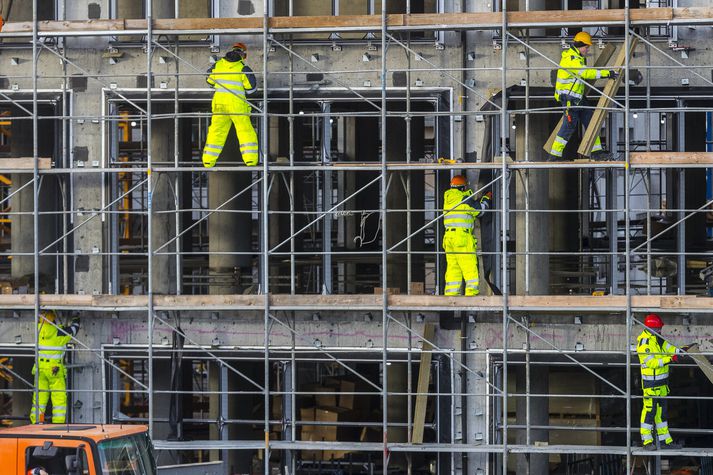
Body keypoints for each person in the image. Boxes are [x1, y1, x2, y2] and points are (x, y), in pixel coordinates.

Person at [549, 31, 618, 161]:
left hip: (578, 98)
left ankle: (597, 152)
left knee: (591, 122)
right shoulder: (571, 59)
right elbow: (586, 73)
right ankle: (554, 155)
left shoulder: (578, 57)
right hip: (570, 99)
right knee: (568, 126)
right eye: (586, 47)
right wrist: (606, 73)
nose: (587, 50)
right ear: (580, 45)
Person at [637, 313, 692, 451]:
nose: (660, 330)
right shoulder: (644, 342)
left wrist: (680, 350)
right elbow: (652, 363)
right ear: (650, 328)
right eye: (658, 328)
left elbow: (669, 348)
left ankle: (665, 441)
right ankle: (647, 441)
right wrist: (670, 359)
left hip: (661, 385)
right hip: (650, 386)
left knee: (661, 414)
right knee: (649, 413)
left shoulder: (658, 339)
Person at [201, 42, 259, 168]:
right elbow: (251, 89)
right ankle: (250, 160)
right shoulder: (243, 68)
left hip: (219, 104)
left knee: (216, 132)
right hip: (237, 105)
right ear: (243, 55)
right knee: (245, 131)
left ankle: (208, 161)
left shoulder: (218, 65)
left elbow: (209, 80)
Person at [442, 175, 492, 296]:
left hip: (449, 238)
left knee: (453, 268)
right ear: (463, 188)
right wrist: (486, 198)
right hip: (462, 238)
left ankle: (451, 294)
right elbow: (480, 210)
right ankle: (471, 293)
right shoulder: (464, 199)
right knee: (469, 266)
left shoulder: (448, 199)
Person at [30, 310, 80, 424]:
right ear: (53, 320)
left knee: (39, 398)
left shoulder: (37, 330)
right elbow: (74, 330)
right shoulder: (59, 332)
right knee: (58, 398)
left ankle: (36, 422)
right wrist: (76, 318)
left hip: (40, 370)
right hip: (54, 371)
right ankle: (58, 424)